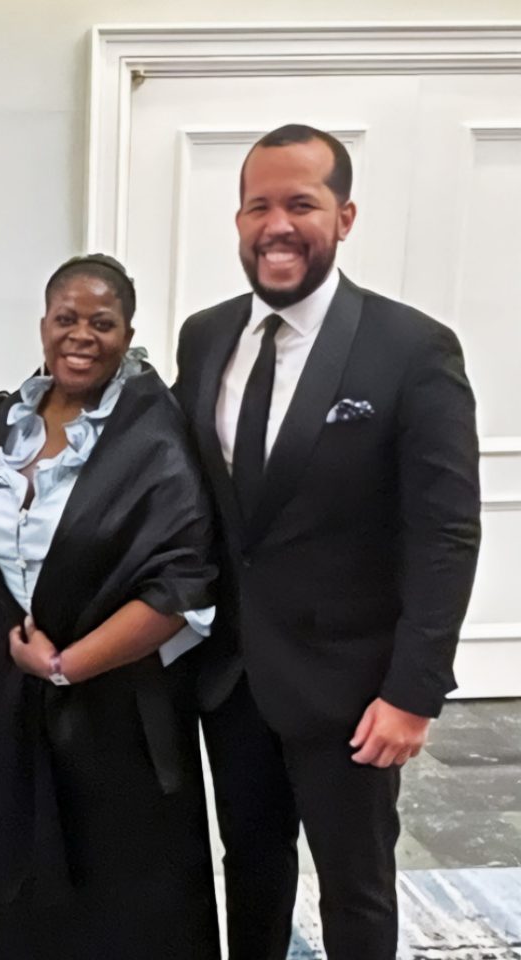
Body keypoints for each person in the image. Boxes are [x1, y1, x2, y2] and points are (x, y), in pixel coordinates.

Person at [173, 124, 482, 959]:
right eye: (258, 206)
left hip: (353, 689)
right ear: (237, 220)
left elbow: (446, 533)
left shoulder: (411, 350)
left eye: (300, 204)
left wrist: (415, 692)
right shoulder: (204, 338)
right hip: (232, 678)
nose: (277, 224)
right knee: (251, 868)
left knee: (356, 888)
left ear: (344, 217)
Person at [0, 253, 220, 959]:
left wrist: (66, 665)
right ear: (43, 325)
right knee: (29, 892)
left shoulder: (153, 435)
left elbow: (182, 587)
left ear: (128, 332)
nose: (81, 335)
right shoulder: (11, 421)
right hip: (19, 712)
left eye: (101, 323)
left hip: (120, 715)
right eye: (66, 319)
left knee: (127, 904)